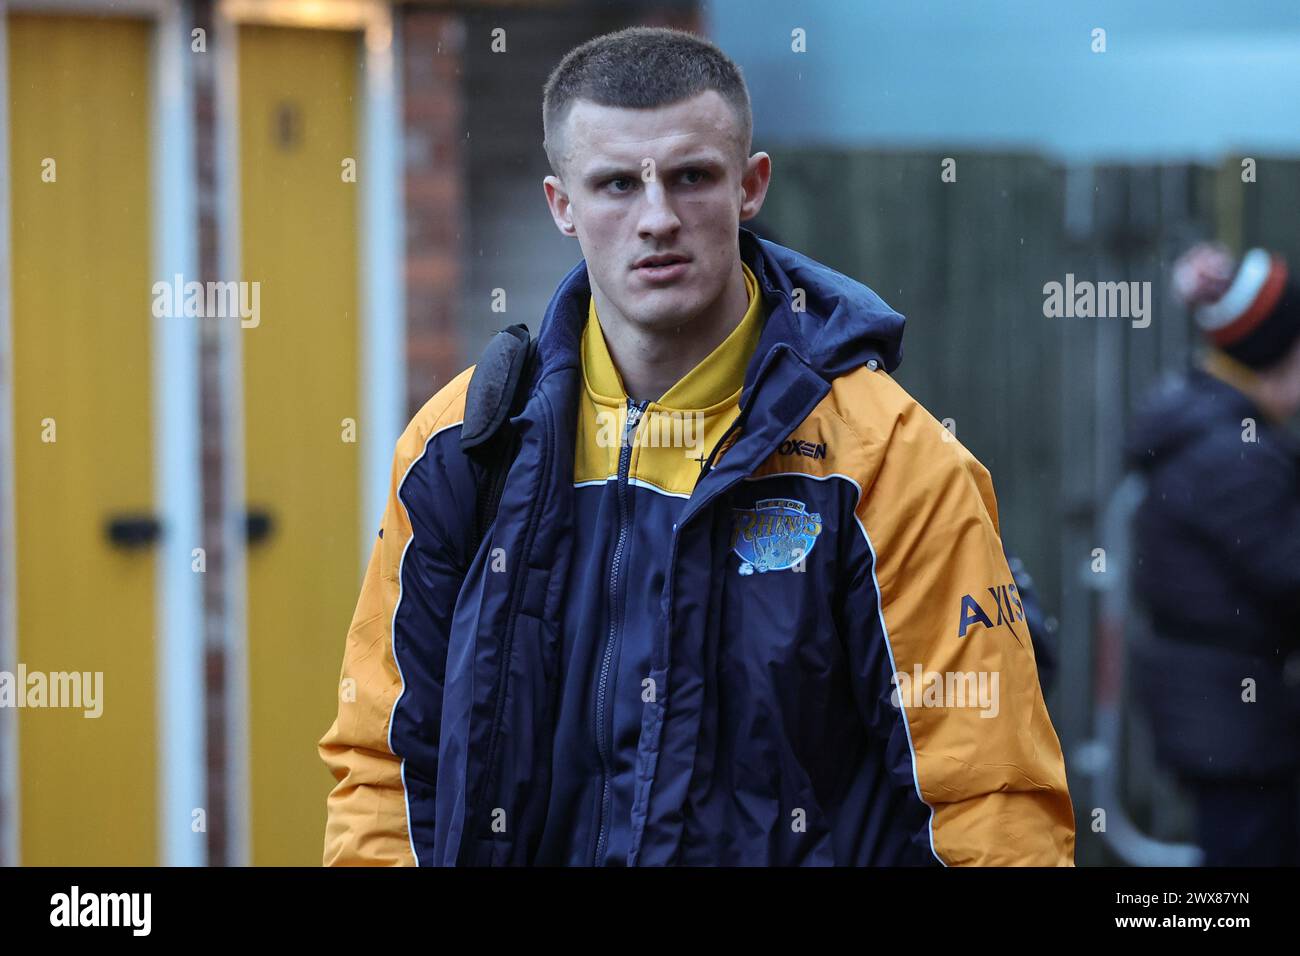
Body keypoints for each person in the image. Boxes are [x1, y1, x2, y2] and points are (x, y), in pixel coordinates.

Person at [318, 26, 1073, 866]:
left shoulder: (889, 459)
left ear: (750, 186)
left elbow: (988, 799)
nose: (656, 219)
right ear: (560, 205)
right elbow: (383, 761)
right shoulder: (461, 445)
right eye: (614, 184)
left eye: (691, 177)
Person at [1126, 241, 1300, 866]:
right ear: (1274, 359)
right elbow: (1289, 571)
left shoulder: (1215, 428)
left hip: (1222, 707)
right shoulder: (1231, 452)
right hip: (1233, 715)